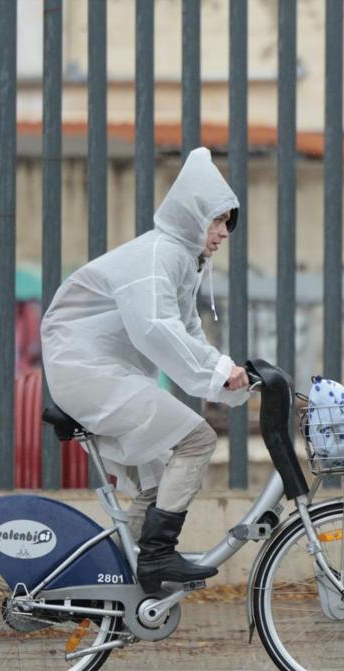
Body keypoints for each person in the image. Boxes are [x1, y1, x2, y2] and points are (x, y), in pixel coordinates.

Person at [40, 147, 251, 594]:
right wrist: (217, 373)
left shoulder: (181, 262)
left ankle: (123, 591)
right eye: (217, 220)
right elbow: (156, 328)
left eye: (229, 223)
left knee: (160, 480)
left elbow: (188, 334)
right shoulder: (157, 256)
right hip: (86, 369)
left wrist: (232, 378)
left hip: (104, 371)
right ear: (192, 216)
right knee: (197, 440)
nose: (223, 233)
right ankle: (155, 559)